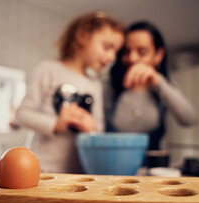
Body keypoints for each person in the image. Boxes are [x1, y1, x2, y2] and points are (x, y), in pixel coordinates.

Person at [16, 12, 124, 173]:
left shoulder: (96, 85)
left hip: (78, 174)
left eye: (115, 52)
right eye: (107, 47)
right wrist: (56, 124)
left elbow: (98, 130)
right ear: (82, 37)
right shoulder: (49, 69)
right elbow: (22, 115)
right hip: (41, 169)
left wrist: (91, 128)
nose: (111, 57)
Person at [106, 21, 196, 151]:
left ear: (159, 55)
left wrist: (159, 82)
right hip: (112, 167)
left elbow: (189, 119)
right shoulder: (109, 88)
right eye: (126, 51)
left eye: (141, 52)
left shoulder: (164, 87)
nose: (132, 58)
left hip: (152, 168)